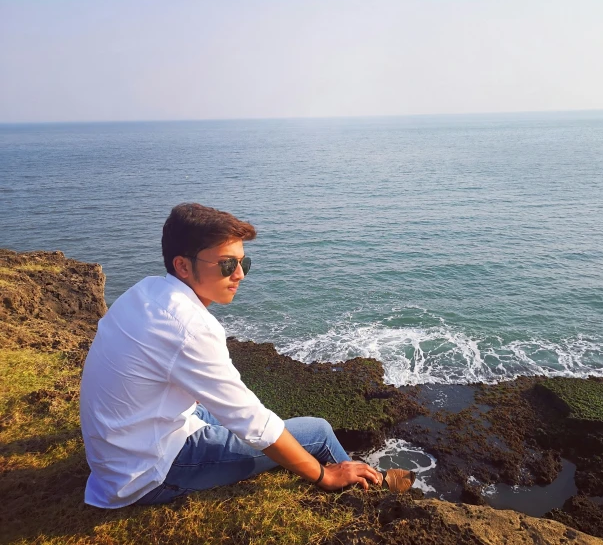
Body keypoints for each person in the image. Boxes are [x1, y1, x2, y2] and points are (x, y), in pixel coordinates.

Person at [79, 203, 413, 508]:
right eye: (227, 265)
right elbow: (255, 425)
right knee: (318, 431)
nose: (239, 275)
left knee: (234, 414)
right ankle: (368, 489)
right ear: (182, 265)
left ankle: (354, 474)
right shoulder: (190, 327)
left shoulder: (146, 292)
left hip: (123, 449)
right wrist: (324, 477)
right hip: (148, 472)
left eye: (243, 263)